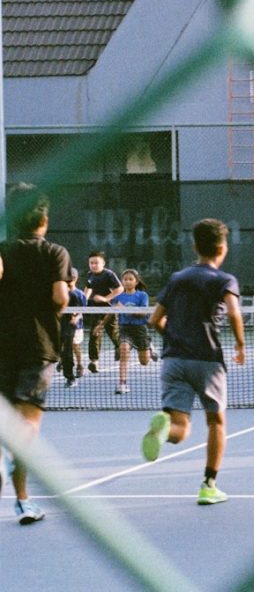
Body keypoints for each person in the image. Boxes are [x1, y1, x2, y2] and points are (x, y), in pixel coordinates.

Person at [142, 219, 245, 506]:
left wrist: (173, 336)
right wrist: (239, 343)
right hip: (207, 360)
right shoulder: (225, 280)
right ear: (222, 249)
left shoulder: (177, 278)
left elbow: (154, 320)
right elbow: (234, 313)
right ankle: (209, 485)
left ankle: (163, 432)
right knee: (216, 422)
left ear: (194, 246)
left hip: (174, 360)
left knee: (180, 430)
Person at [0, 189, 73, 524]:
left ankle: (23, 501)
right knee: (27, 425)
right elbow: (60, 299)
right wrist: (66, 290)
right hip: (38, 346)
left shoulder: (2, 250)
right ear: (44, 219)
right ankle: (17, 488)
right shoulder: (55, 252)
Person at [112, 269, 152, 395]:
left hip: (140, 329)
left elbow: (142, 313)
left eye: (130, 279)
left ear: (136, 281)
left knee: (144, 362)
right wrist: (101, 325)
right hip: (125, 329)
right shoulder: (118, 296)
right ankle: (122, 384)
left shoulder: (142, 295)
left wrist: (124, 309)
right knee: (124, 352)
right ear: (122, 281)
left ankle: (149, 347)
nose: (127, 281)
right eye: (125, 279)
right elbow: (111, 311)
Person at [83, 250, 121, 374]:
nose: (93, 265)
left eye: (96, 263)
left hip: (109, 309)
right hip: (95, 309)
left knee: (112, 333)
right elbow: (88, 288)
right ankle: (94, 361)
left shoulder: (109, 274)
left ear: (103, 263)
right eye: (91, 263)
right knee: (95, 333)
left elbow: (120, 288)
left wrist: (106, 298)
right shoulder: (90, 274)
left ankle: (119, 346)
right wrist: (84, 299)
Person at [60, 268, 87, 388]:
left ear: (75, 279)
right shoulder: (59, 292)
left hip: (70, 326)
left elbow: (83, 311)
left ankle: (70, 377)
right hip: (57, 324)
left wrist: (76, 318)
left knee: (68, 351)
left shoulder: (78, 294)